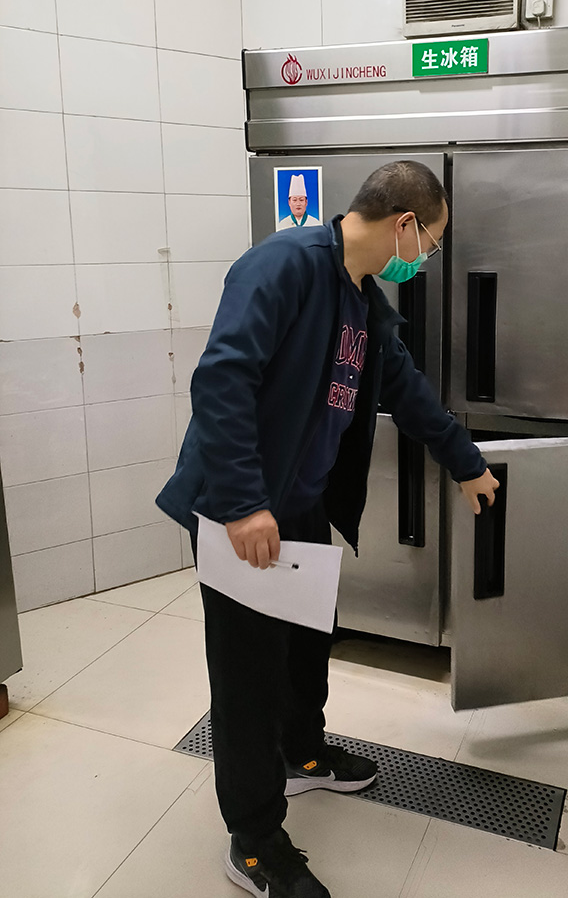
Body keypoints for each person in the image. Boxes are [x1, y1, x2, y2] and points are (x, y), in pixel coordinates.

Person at [156, 160, 499, 898]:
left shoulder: (364, 299)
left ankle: (300, 753)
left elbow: (405, 389)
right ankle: (254, 841)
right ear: (404, 224)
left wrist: (466, 462)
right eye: (431, 242)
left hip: (302, 507)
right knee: (248, 677)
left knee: (308, 646)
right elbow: (222, 378)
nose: (426, 257)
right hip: (243, 507)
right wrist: (244, 504)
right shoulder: (284, 266)